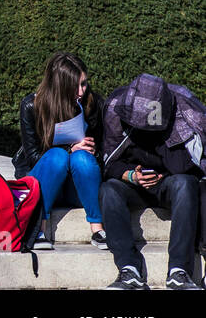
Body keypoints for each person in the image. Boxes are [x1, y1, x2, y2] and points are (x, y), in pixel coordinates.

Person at [100, 73, 206, 290]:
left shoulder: (182, 112)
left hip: (169, 182)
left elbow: (188, 165)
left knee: (186, 184)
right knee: (108, 189)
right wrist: (132, 175)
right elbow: (108, 163)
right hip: (133, 183)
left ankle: (179, 271)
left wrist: (160, 137)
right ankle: (129, 269)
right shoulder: (115, 109)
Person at [11, 51, 106, 251]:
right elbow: (33, 158)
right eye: (75, 86)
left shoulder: (92, 104)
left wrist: (91, 150)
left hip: (76, 187)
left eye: (84, 83)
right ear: (59, 86)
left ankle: (97, 229)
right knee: (57, 156)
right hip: (42, 182)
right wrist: (69, 148)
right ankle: (40, 228)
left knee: (82, 157)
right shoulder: (32, 105)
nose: (81, 92)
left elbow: (104, 152)